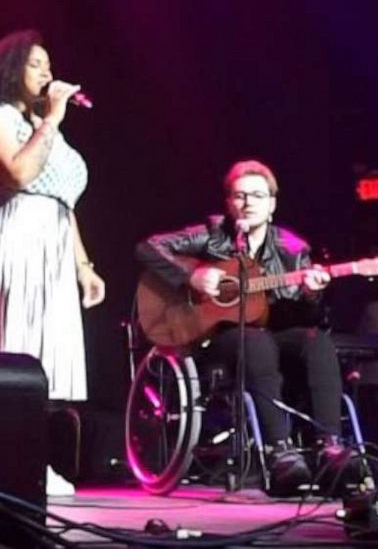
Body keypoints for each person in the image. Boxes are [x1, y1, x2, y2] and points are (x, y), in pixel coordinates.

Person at [0, 30, 105, 496]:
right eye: (37, 65)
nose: (49, 74)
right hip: (8, 241)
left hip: (49, 248)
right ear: (10, 70)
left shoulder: (44, 128)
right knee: (6, 346)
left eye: (50, 65)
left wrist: (83, 264)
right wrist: (51, 117)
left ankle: (27, 459)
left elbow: (61, 199)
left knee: (42, 356)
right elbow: (17, 173)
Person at [136, 159, 356, 496]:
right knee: (254, 342)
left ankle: (331, 447)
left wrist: (312, 294)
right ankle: (280, 452)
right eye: (240, 196)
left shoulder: (294, 250)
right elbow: (148, 247)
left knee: (317, 342)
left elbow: (308, 317)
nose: (248, 202)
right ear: (228, 203)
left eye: (257, 195)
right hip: (214, 340)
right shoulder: (211, 234)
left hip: (272, 333)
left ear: (272, 204)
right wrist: (191, 275)